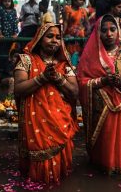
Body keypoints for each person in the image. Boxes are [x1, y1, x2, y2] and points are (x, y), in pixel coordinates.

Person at [77, 14, 121, 174]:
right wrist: (103, 81)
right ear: (97, 33)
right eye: (104, 30)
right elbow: (81, 82)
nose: (109, 34)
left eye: (113, 29)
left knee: (120, 146)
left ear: (119, 32)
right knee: (103, 147)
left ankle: (116, 170)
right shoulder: (89, 56)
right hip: (99, 110)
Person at [14, 22, 79, 184]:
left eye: (58, 37)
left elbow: (74, 92)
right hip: (36, 124)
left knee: (61, 174)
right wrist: (42, 78)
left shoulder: (65, 65)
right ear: (39, 39)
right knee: (39, 177)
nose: (54, 40)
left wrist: (58, 78)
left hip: (60, 121)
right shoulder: (26, 60)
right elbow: (19, 89)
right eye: (49, 36)